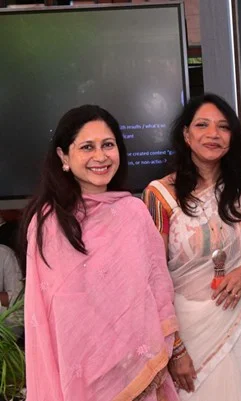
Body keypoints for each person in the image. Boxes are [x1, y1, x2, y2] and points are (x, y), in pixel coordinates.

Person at [142, 93, 241, 401]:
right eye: (202, 125)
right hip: (190, 330)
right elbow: (152, 277)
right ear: (186, 134)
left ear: (232, 137)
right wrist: (176, 349)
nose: (213, 134)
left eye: (223, 127)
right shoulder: (161, 194)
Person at [20, 105, 179, 401]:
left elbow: (157, 287)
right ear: (63, 157)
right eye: (87, 147)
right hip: (84, 374)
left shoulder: (134, 212)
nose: (101, 156)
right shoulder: (51, 223)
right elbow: (59, 311)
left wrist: (155, 354)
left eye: (108, 145)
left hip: (140, 368)